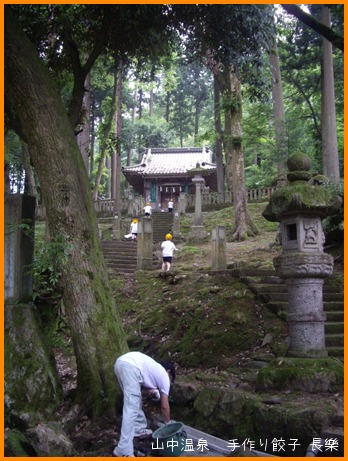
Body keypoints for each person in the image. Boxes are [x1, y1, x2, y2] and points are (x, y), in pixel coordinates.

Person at [113, 351, 176, 457]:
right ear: (168, 372)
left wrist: (152, 392)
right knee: (131, 407)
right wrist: (168, 424)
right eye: (171, 380)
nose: (169, 383)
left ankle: (138, 428)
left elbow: (142, 386)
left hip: (120, 363)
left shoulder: (154, 369)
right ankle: (123, 449)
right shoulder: (164, 376)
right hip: (130, 366)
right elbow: (164, 406)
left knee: (134, 401)